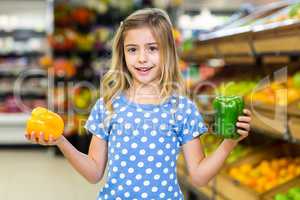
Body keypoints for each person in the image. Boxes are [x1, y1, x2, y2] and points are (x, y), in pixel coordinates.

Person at [25, 8, 252, 200]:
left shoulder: (182, 109)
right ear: (122, 54)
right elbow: (94, 173)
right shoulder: (108, 106)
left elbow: (199, 176)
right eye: (132, 49)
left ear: (168, 53)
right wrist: (61, 141)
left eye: (152, 48)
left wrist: (228, 143)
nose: (142, 58)